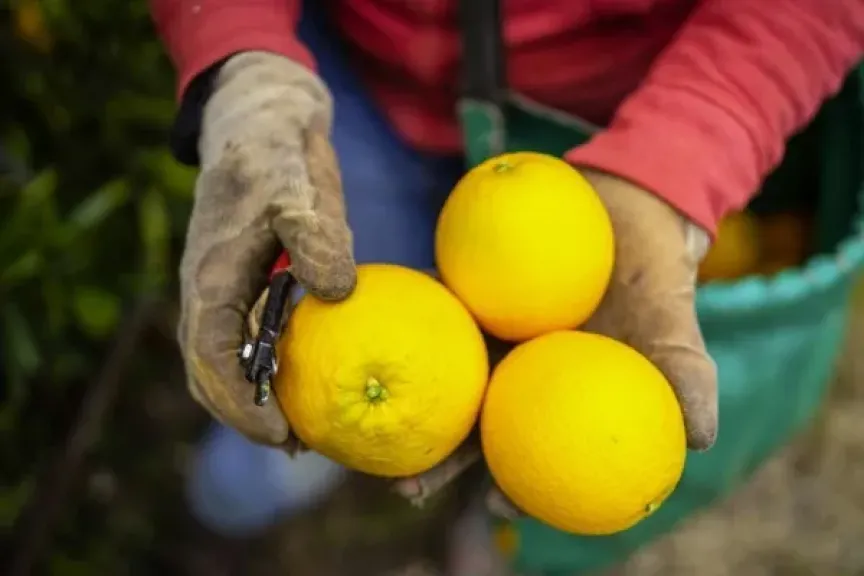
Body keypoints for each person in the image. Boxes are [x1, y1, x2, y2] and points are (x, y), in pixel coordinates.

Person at [149, 0, 864, 573]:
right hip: (352, 96)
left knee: (517, 447)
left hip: (607, 121)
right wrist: (241, 60)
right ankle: (230, 507)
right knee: (301, 357)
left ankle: (497, 538)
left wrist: (675, 163)